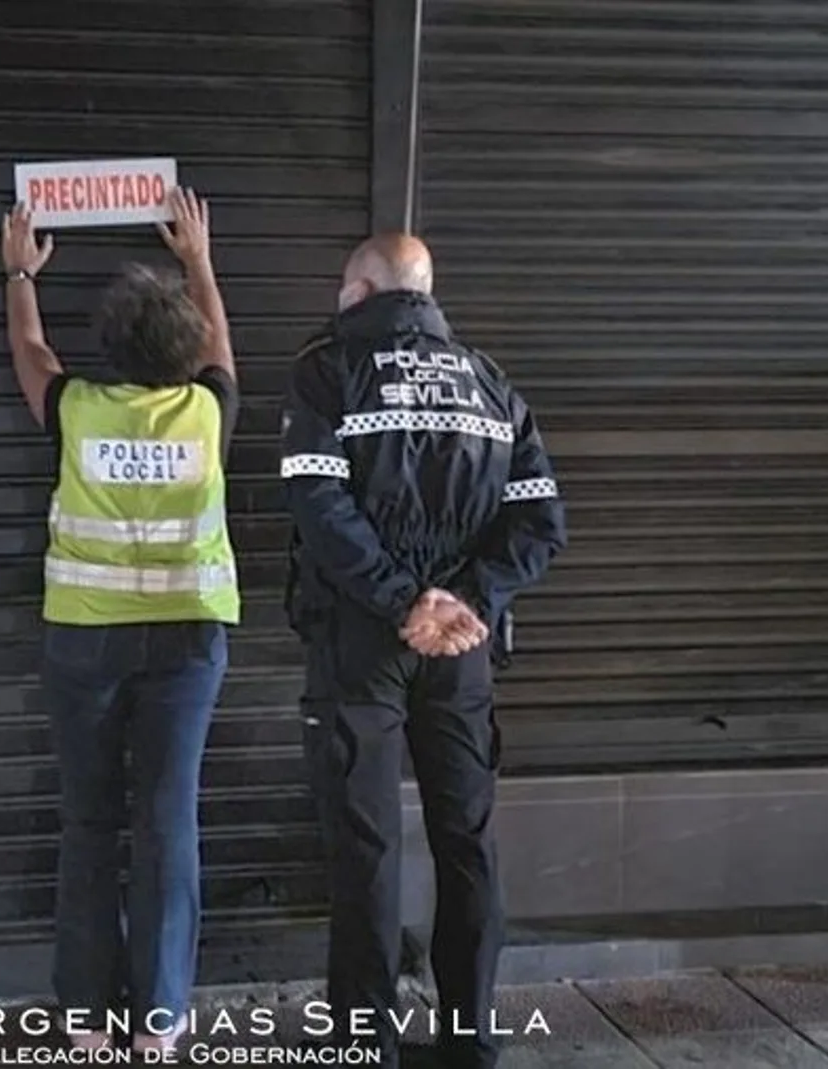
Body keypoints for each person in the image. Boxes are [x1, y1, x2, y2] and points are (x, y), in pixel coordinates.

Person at [280, 233, 567, 1069]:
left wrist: (405, 600)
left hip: (363, 640)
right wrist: (467, 600)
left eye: (344, 284)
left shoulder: (327, 371)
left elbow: (319, 506)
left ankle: (363, 1041)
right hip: (464, 645)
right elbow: (543, 519)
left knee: (366, 843)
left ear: (364, 289)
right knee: (467, 838)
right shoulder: (491, 384)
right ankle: (470, 1033)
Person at [0, 188, 241, 1054]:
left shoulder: (76, 411)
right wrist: (199, 260)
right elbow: (220, 346)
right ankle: (164, 1019)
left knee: (90, 820)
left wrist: (20, 270)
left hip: (84, 640)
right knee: (169, 821)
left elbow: (29, 351)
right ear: (183, 350)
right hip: (187, 643)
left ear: (109, 345)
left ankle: (85, 1017)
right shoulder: (209, 413)